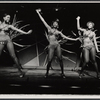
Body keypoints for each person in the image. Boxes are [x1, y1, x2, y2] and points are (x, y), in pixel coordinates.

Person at [36, 9, 79, 78]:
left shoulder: (59, 32)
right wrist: (38, 13)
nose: (55, 24)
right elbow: (43, 20)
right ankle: (47, 73)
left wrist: (75, 39)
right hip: (51, 46)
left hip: (57, 45)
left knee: (60, 59)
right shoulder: (49, 28)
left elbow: (66, 37)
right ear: (52, 24)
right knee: (49, 60)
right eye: (54, 23)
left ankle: (62, 73)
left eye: (57, 23)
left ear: (57, 25)